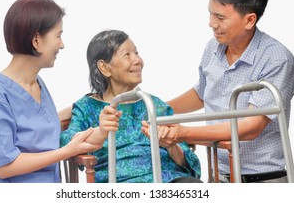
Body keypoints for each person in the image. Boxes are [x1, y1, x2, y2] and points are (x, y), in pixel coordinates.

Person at [141, 0, 294, 183]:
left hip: (262, 179)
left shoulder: (276, 58)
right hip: (219, 175)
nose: (211, 23)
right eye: (210, 14)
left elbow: (250, 127)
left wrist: (182, 132)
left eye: (220, 17)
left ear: (249, 20)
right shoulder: (214, 47)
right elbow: (203, 93)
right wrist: (157, 109)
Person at [0, 0, 116, 183]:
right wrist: (66, 151)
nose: (62, 45)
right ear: (36, 40)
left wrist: (85, 112)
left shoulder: (37, 84)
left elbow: (37, 128)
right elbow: (3, 167)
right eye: (58, 36)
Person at [60, 30, 202, 183]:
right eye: (127, 54)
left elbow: (190, 163)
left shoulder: (153, 105)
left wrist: (170, 145)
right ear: (104, 67)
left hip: (169, 180)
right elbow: (65, 141)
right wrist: (98, 133)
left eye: (136, 53)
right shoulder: (87, 107)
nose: (138, 60)